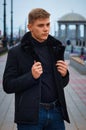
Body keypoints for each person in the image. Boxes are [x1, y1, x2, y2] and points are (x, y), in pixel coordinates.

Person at [3, 8, 70, 130]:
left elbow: (62, 83)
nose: (46, 29)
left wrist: (65, 75)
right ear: (30, 27)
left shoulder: (56, 48)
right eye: (41, 25)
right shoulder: (16, 52)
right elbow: (8, 85)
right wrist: (31, 76)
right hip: (30, 116)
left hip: (56, 113)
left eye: (48, 24)